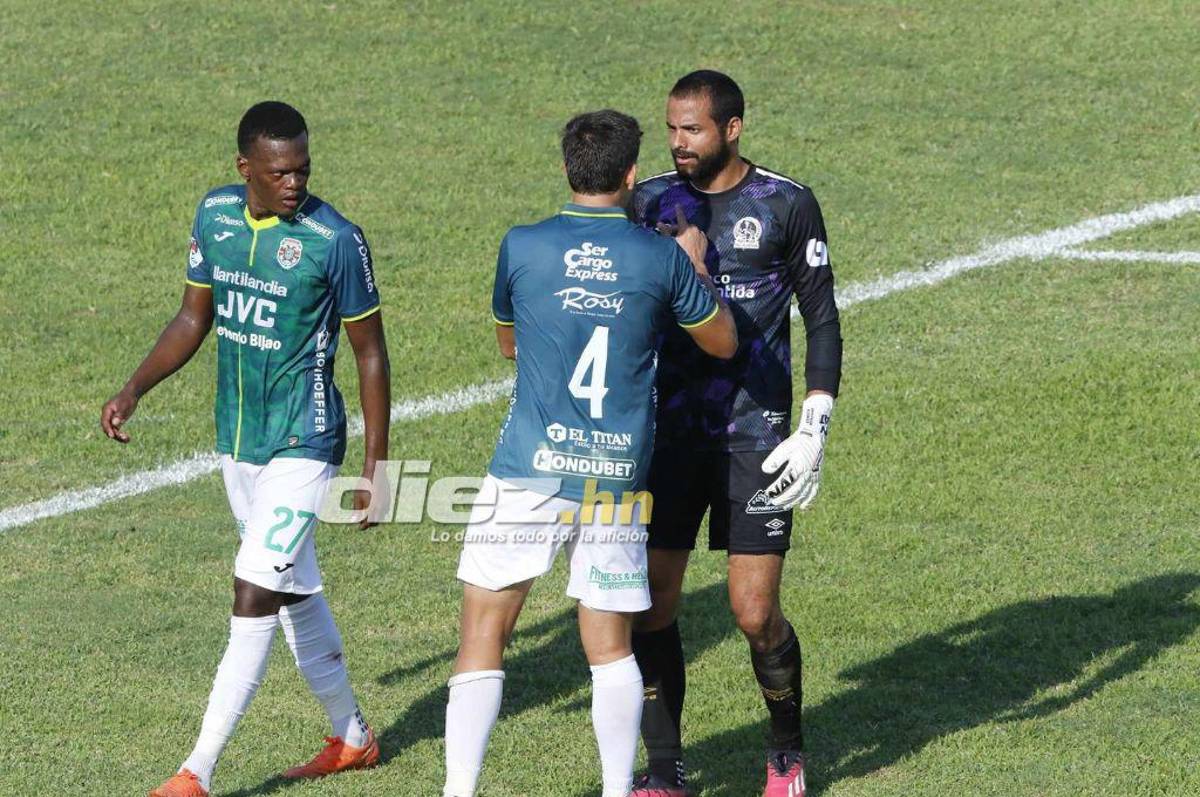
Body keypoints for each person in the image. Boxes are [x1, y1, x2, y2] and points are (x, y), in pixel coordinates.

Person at [100, 101, 392, 797]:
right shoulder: (216, 216)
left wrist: (377, 468)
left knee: (254, 588)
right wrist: (134, 387)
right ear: (246, 169)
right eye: (280, 172)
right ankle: (353, 737)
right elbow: (192, 316)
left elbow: (370, 353)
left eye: (303, 170)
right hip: (238, 438)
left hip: (304, 439)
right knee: (292, 591)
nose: (295, 183)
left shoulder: (335, 240)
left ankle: (196, 770)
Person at [442, 109, 737, 797]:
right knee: (609, 647)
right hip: (615, 479)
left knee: (483, 634)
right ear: (631, 174)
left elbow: (509, 344)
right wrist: (695, 264)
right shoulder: (659, 257)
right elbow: (722, 341)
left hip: (529, 470)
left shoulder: (522, 245)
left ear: (567, 169)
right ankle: (614, 788)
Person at [628, 71, 843, 797]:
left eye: (692, 129)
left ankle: (785, 752)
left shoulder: (785, 203)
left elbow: (822, 318)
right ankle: (665, 770)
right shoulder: (650, 203)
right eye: (671, 128)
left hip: (758, 434)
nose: (678, 142)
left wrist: (814, 425)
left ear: (732, 128)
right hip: (669, 435)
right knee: (652, 603)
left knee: (753, 611)